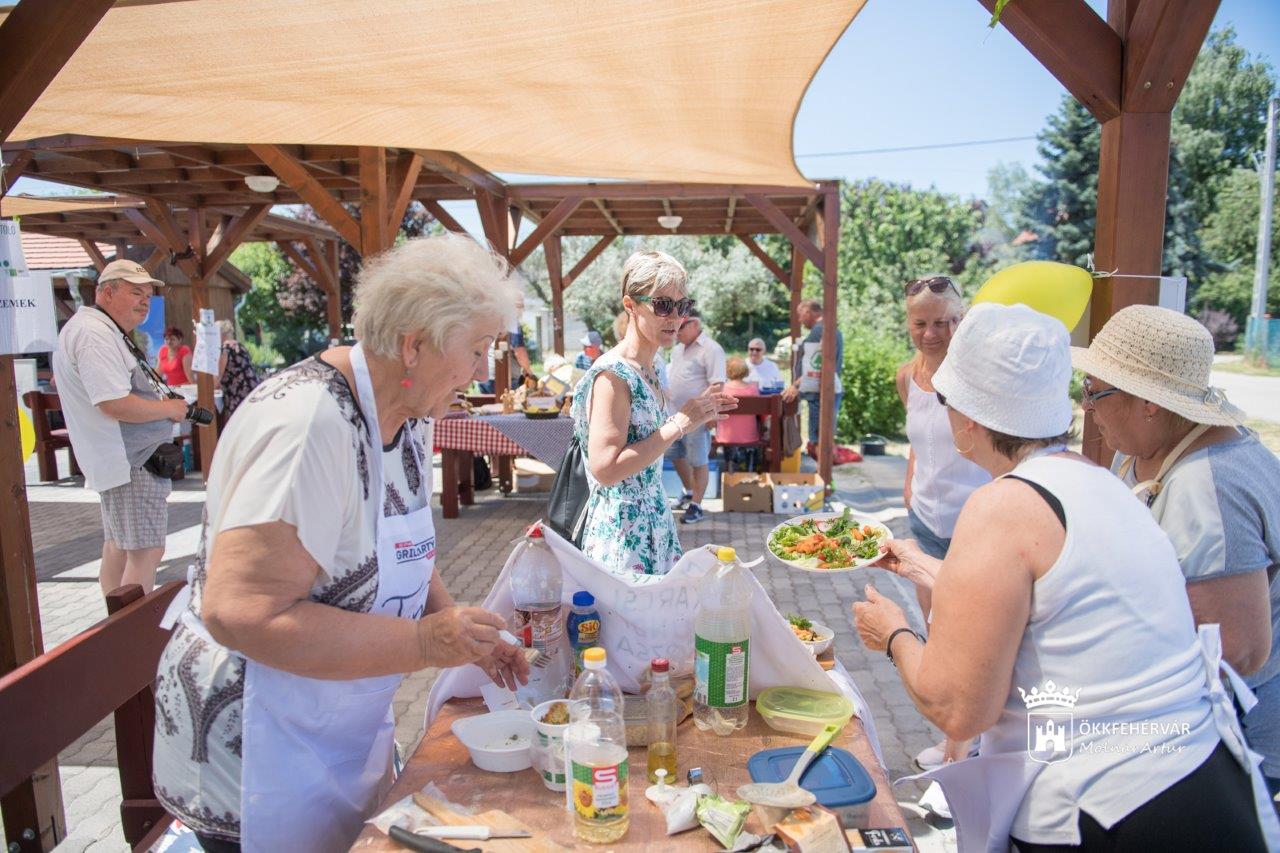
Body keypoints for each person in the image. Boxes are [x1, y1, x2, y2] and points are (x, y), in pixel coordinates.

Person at [151, 235, 531, 853]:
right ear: (414, 345)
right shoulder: (309, 425)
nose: (484, 370)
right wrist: (424, 641)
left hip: (334, 727)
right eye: (478, 349)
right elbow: (240, 611)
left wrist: (460, 632)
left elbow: (405, 553)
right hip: (256, 746)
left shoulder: (407, 413)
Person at [854, 302, 1277, 851]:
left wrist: (893, 634)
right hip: (1203, 781)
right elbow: (1050, 605)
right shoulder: (1094, 478)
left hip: (1109, 808)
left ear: (968, 421)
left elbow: (959, 705)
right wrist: (916, 563)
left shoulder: (1001, 505)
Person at [1074, 304, 1280, 802]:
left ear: (1150, 403)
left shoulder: (1205, 486)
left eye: (1096, 393)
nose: (1086, 407)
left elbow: (1242, 650)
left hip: (1237, 726)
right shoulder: (1154, 446)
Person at [571, 251, 735, 575]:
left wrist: (696, 416)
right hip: (622, 533)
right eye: (662, 305)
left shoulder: (655, 365)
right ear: (630, 305)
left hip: (655, 520)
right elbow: (605, 470)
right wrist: (679, 424)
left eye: (682, 306)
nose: (675, 317)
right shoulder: (614, 375)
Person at [894, 274, 991, 771]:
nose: (932, 333)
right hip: (927, 523)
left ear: (961, 319)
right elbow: (920, 438)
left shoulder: (976, 377)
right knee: (936, 632)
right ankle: (956, 740)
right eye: (921, 322)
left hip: (973, 525)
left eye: (944, 321)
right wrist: (910, 483)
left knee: (970, 639)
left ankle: (968, 746)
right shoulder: (906, 376)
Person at [52, 259, 189, 596]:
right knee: (145, 552)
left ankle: (113, 632)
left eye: (148, 294)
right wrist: (169, 408)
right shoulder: (95, 334)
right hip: (132, 461)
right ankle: (129, 638)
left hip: (125, 460)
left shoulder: (98, 329)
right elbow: (113, 403)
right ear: (107, 293)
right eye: (135, 292)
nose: (145, 300)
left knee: (118, 547)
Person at [665, 308, 727, 524]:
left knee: (698, 460)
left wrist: (708, 413)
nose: (676, 329)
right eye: (674, 324)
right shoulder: (678, 349)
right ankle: (689, 492)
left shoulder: (711, 349)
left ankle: (697, 505)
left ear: (695, 324)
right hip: (674, 414)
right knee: (675, 454)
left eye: (681, 325)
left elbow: (718, 385)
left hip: (697, 417)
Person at [781, 299, 843, 458]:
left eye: (801, 315)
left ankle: (823, 476)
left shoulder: (819, 331)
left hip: (819, 393)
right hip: (825, 390)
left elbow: (815, 365)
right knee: (826, 436)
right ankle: (826, 475)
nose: (800, 320)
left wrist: (795, 386)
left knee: (818, 439)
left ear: (810, 312)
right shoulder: (831, 329)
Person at [480, 293, 532, 393]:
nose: (522, 310)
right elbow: (519, 352)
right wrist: (529, 371)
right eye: (520, 306)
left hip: (486, 375)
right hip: (504, 377)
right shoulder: (512, 323)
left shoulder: (492, 319)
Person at [717, 356, 761, 472]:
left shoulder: (722, 389)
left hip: (726, 436)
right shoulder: (753, 389)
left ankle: (730, 464)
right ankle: (749, 467)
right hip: (749, 435)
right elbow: (759, 413)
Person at [216, 319, 259, 421]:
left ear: (221, 333)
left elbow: (218, 376)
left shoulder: (225, 348)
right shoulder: (239, 345)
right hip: (251, 389)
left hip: (238, 394)